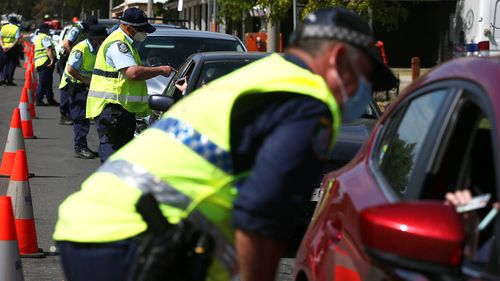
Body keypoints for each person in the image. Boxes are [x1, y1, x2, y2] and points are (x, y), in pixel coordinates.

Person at [53, 7, 397, 281]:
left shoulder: (258, 79)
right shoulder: (305, 100)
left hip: (93, 226)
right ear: (338, 59)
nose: (364, 90)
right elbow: (262, 218)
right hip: (132, 241)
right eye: (365, 76)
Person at [84, 7, 174, 163]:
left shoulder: (127, 43)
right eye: (141, 29)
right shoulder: (118, 44)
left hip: (120, 109)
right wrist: (160, 70)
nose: (143, 33)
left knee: (119, 157)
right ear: (127, 26)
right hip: (112, 108)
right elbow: (133, 73)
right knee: (112, 157)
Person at [58, 25, 107, 159]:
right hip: (75, 85)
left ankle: (82, 146)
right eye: (102, 38)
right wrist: (85, 80)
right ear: (96, 38)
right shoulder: (81, 49)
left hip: (85, 86)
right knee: (80, 118)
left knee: (85, 117)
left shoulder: (96, 48)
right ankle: (79, 148)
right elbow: (71, 69)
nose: (103, 41)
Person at [58, 15, 98, 125]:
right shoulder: (77, 29)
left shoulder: (85, 32)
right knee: (67, 85)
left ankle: (74, 113)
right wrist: (74, 57)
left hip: (74, 61)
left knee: (74, 88)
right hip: (67, 59)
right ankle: (64, 115)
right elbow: (66, 44)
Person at [34, 23, 59, 106]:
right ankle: (38, 99)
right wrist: (52, 60)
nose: (49, 30)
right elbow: (48, 49)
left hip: (39, 62)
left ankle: (50, 99)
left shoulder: (38, 37)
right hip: (45, 61)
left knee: (48, 82)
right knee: (43, 82)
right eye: (48, 28)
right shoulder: (45, 37)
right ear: (45, 29)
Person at [0, 16, 21, 86]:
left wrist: (3, 46)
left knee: (3, 64)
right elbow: (17, 40)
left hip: (3, 48)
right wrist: (10, 47)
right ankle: (9, 80)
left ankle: (2, 78)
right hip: (12, 48)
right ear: (15, 22)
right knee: (11, 64)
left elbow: (0, 38)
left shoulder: (4, 27)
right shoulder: (16, 28)